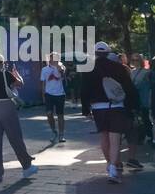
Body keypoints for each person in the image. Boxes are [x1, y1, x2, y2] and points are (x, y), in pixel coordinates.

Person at [81, 46, 138, 183]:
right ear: (108, 53)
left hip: (98, 107)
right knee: (115, 139)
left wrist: (85, 109)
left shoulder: (89, 69)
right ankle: (113, 167)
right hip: (116, 105)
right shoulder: (118, 67)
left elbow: (84, 89)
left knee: (104, 136)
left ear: (95, 53)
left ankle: (109, 164)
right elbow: (129, 88)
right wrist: (132, 107)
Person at [0, 54, 38, 181]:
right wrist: (17, 74)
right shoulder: (7, 74)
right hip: (6, 106)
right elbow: (20, 84)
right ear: (1, 62)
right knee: (15, 138)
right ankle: (27, 166)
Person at [41, 52, 67, 143]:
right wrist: (43, 96)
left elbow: (63, 75)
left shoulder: (62, 67)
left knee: (60, 115)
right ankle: (53, 131)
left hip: (60, 94)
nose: (53, 60)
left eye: (56, 58)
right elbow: (43, 83)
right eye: (52, 58)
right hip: (49, 94)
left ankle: (61, 135)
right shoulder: (44, 69)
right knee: (49, 114)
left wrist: (58, 66)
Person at [130, 55, 153, 145]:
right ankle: (141, 136)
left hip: (144, 98)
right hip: (135, 99)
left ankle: (149, 135)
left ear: (141, 61)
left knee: (145, 118)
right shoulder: (132, 72)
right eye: (133, 60)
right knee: (138, 119)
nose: (135, 61)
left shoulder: (147, 72)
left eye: (137, 59)